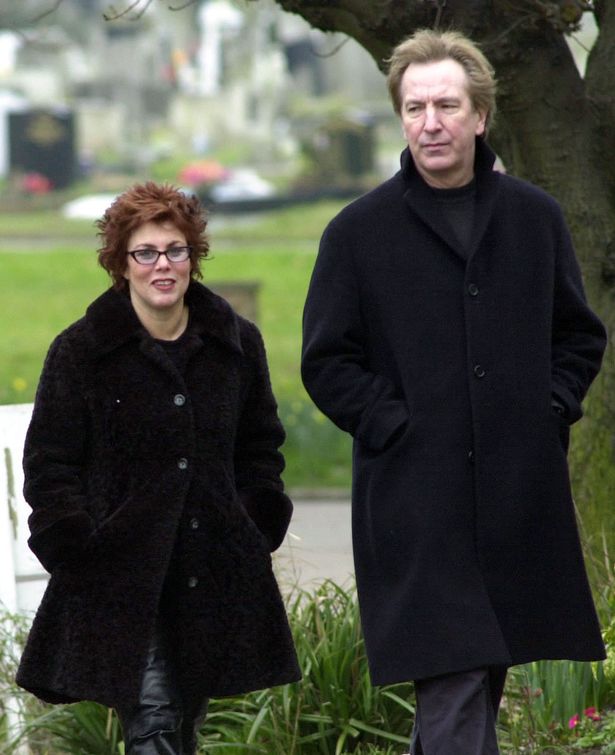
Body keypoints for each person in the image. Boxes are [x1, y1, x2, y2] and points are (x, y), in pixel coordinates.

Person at [301, 28, 607, 754]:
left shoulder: (535, 219)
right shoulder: (357, 233)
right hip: (416, 503)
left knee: (473, 679)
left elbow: (577, 335)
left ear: (479, 115)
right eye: (413, 107)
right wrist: (393, 425)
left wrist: (549, 408)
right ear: (399, 118)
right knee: (455, 676)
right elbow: (327, 360)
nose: (429, 122)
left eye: (444, 104)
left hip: (515, 497)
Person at [16, 182, 300, 754]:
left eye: (176, 250)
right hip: (121, 578)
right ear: (121, 264)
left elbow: (260, 447)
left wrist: (255, 523)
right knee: (155, 720)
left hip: (210, 569)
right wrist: (77, 548)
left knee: (181, 723)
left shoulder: (236, 344)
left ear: (194, 257)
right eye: (145, 253)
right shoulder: (80, 352)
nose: (162, 265)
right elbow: (50, 467)